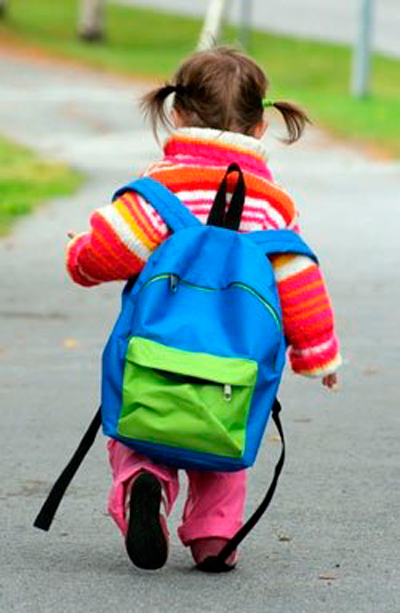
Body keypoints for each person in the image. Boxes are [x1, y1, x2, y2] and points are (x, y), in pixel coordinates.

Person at [66, 46, 341, 571]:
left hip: (154, 349)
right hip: (232, 366)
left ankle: (143, 481)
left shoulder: (160, 190)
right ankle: (215, 536)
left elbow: (107, 253)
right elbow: (298, 277)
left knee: (143, 426)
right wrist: (317, 353)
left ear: (175, 114)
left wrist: (79, 254)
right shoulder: (270, 203)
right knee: (223, 436)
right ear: (261, 127)